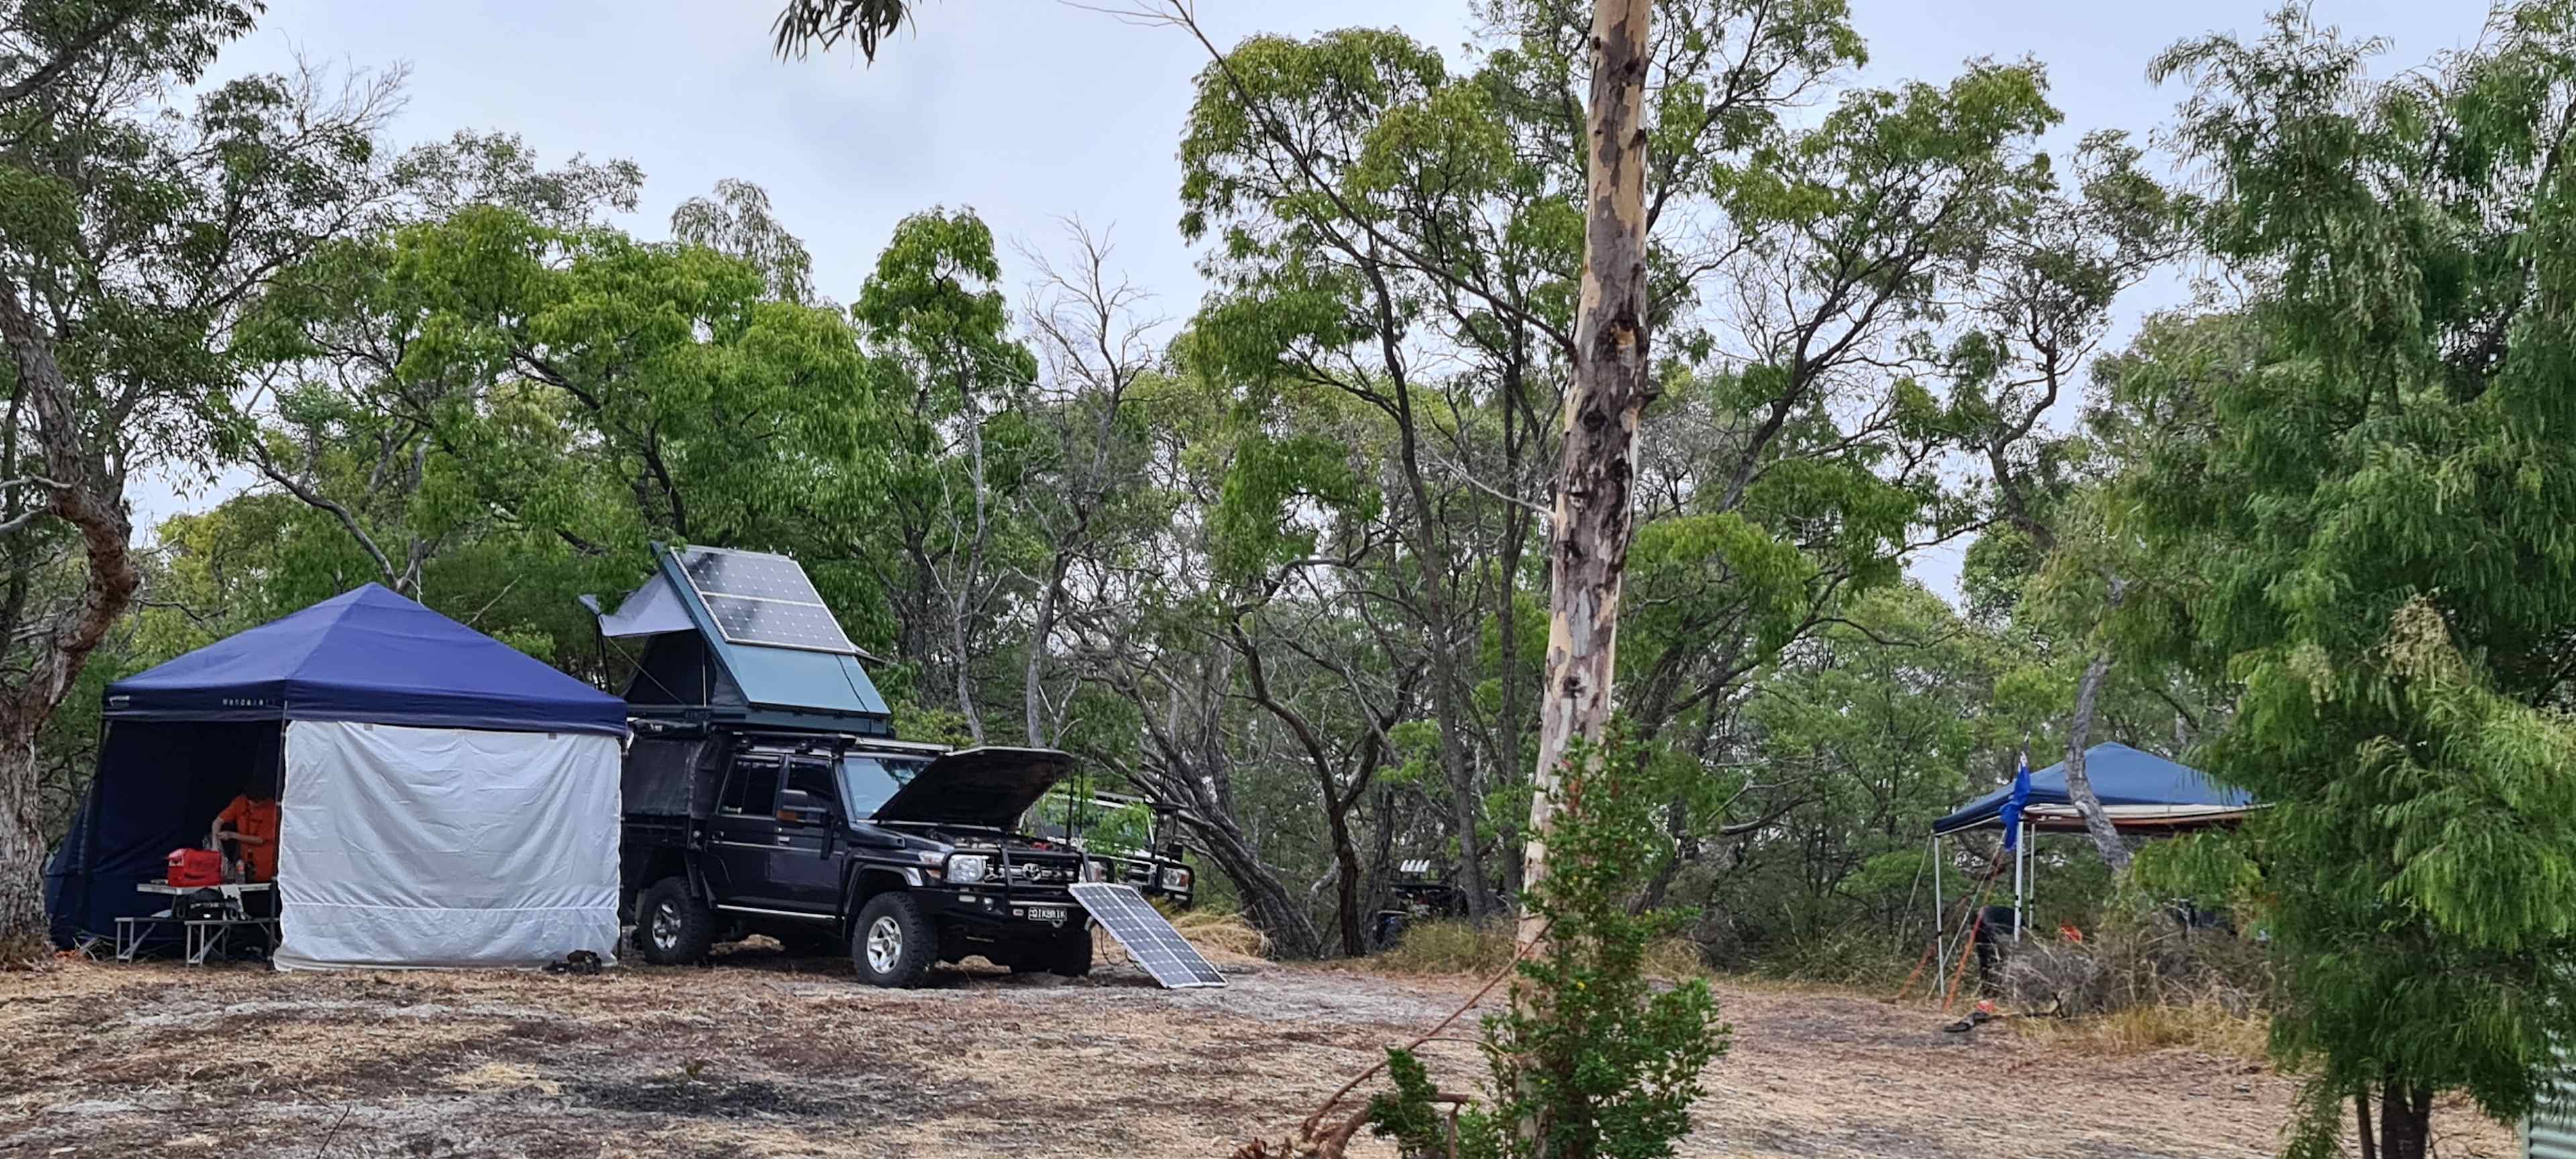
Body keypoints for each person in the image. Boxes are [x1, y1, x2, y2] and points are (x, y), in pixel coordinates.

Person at [211, 772, 281, 885]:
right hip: (244, 863)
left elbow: (260, 840)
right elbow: (218, 821)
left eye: (257, 803)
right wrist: (215, 846)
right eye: (251, 801)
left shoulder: (272, 809)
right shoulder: (240, 802)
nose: (253, 804)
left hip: (265, 864)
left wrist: (232, 835)